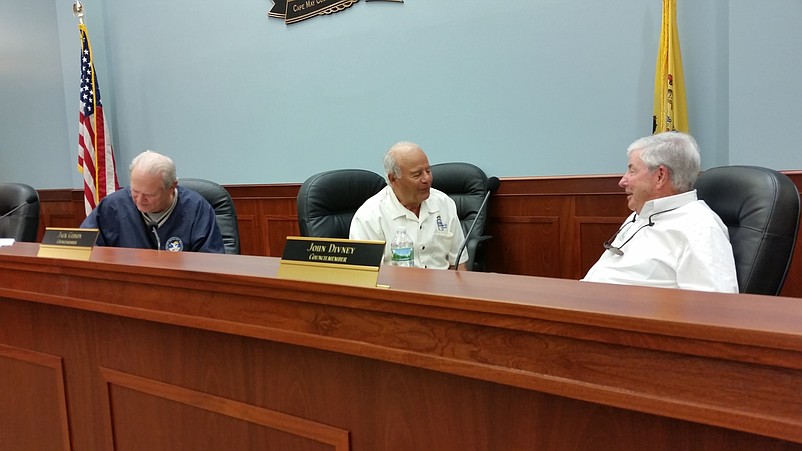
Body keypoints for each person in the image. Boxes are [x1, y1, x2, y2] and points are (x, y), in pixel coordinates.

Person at [582, 132, 738, 292]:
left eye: (632, 171)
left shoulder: (701, 228)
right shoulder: (641, 214)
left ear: (660, 176)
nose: (623, 181)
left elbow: (714, 306)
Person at [349, 141, 468, 269]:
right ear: (393, 178)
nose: (426, 179)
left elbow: (459, 265)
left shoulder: (444, 203)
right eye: (417, 175)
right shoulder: (369, 216)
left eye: (428, 171)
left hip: (442, 286)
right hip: (395, 287)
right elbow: (368, 276)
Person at [81, 150, 224, 253]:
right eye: (135, 191)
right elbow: (83, 247)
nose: (140, 200)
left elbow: (212, 264)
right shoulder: (113, 206)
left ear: (171, 187)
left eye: (149, 195)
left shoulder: (197, 209)